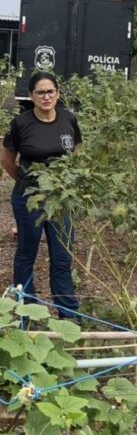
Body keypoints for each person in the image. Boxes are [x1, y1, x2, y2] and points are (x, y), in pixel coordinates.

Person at [1, 72, 81, 318]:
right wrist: (29, 184)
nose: (46, 97)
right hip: (28, 199)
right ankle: (27, 313)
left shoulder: (68, 118)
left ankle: (68, 316)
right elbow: (7, 160)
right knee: (27, 254)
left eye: (50, 91)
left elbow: (76, 152)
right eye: (40, 92)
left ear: (57, 93)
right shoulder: (22, 123)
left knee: (62, 257)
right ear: (32, 96)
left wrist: (63, 185)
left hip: (60, 201)